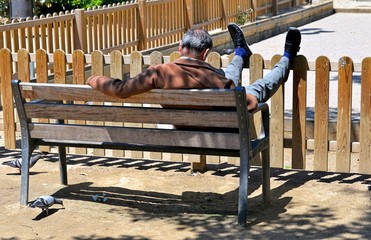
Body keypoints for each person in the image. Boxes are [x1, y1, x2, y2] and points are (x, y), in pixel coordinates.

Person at [87, 23, 301, 111]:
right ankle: (287, 58)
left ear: (180, 47)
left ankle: (241, 52)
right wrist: (254, 101)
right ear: (206, 54)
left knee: (229, 77)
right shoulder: (218, 79)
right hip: (220, 129)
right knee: (260, 86)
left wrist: (93, 79)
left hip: (181, 131)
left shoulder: (160, 72)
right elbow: (249, 103)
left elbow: (120, 89)